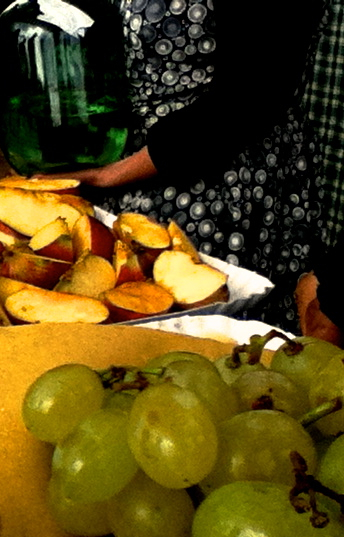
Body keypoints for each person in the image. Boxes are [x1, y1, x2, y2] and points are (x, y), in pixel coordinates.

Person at [44, 0, 329, 331]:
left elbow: (251, 96)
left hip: (217, 178)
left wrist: (113, 173)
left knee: (201, 339)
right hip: (124, 165)